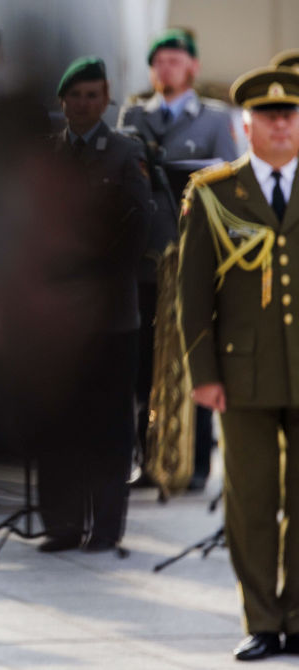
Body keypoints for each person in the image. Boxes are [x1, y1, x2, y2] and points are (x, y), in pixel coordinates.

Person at [177, 67, 299, 662]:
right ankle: (262, 619)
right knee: (251, 500)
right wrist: (202, 375)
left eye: (290, 115)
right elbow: (193, 294)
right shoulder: (215, 193)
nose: (280, 124)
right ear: (246, 124)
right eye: (268, 117)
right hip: (242, 373)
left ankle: (298, 616)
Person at [39, 57, 151, 553]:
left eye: (92, 96)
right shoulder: (43, 156)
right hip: (56, 316)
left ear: (106, 101)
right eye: (74, 95)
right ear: (61, 100)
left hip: (110, 313)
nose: (82, 104)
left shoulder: (127, 152)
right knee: (58, 419)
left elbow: (147, 227)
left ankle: (105, 527)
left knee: (108, 424)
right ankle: (62, 524)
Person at [122, 27, 240, 490]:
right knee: (144, 363)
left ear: (192, 67)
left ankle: (190, 462)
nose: (166, 68)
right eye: (160, 61)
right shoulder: (134, 113)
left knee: (193, 354)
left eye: (175, 60)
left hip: (194, 256)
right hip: (147, 257)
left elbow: (230, 182)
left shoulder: (213, 119)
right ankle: (148, 457)